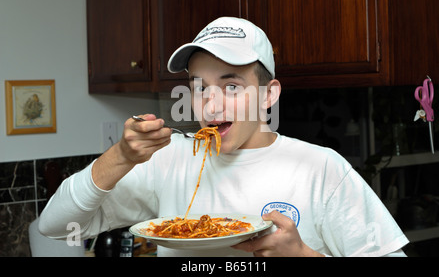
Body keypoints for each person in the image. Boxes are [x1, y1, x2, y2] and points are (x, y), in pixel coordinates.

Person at [39, 17, 408, 257]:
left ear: (268, 94)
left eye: (231, 86)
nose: (210, 106)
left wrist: (303, 256)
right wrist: (120, 155)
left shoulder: (321, 168)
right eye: (199, 88)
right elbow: (55, 226)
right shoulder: (169, 160)